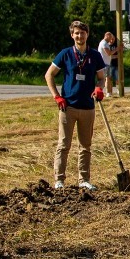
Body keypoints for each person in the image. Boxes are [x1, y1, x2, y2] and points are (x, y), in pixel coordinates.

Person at [44, 20, 106, 190]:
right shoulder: (65, 54)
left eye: (83, 33)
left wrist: (99, 88)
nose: (80, 36)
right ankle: (59, 180)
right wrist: (57, 97)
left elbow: (101, 78)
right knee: (64, 145)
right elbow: (49, 75)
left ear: (87, 35)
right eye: (77, 33)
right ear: (72, 35)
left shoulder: (95, 56)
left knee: (85, 146)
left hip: (87, 107)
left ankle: (84, 180)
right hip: (68, 106)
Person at [98, 32, 122, 97]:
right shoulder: (104, 43)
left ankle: (107, 93)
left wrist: (118, 56)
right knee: (105, 79)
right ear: (107, 36)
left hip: (106, 64)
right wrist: (117, 49)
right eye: (111, 38)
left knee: (107, 78)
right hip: (104, 64)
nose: (111, 40)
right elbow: (109, 53)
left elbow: (109, 56)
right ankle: (103, 92)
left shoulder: (105, 43)